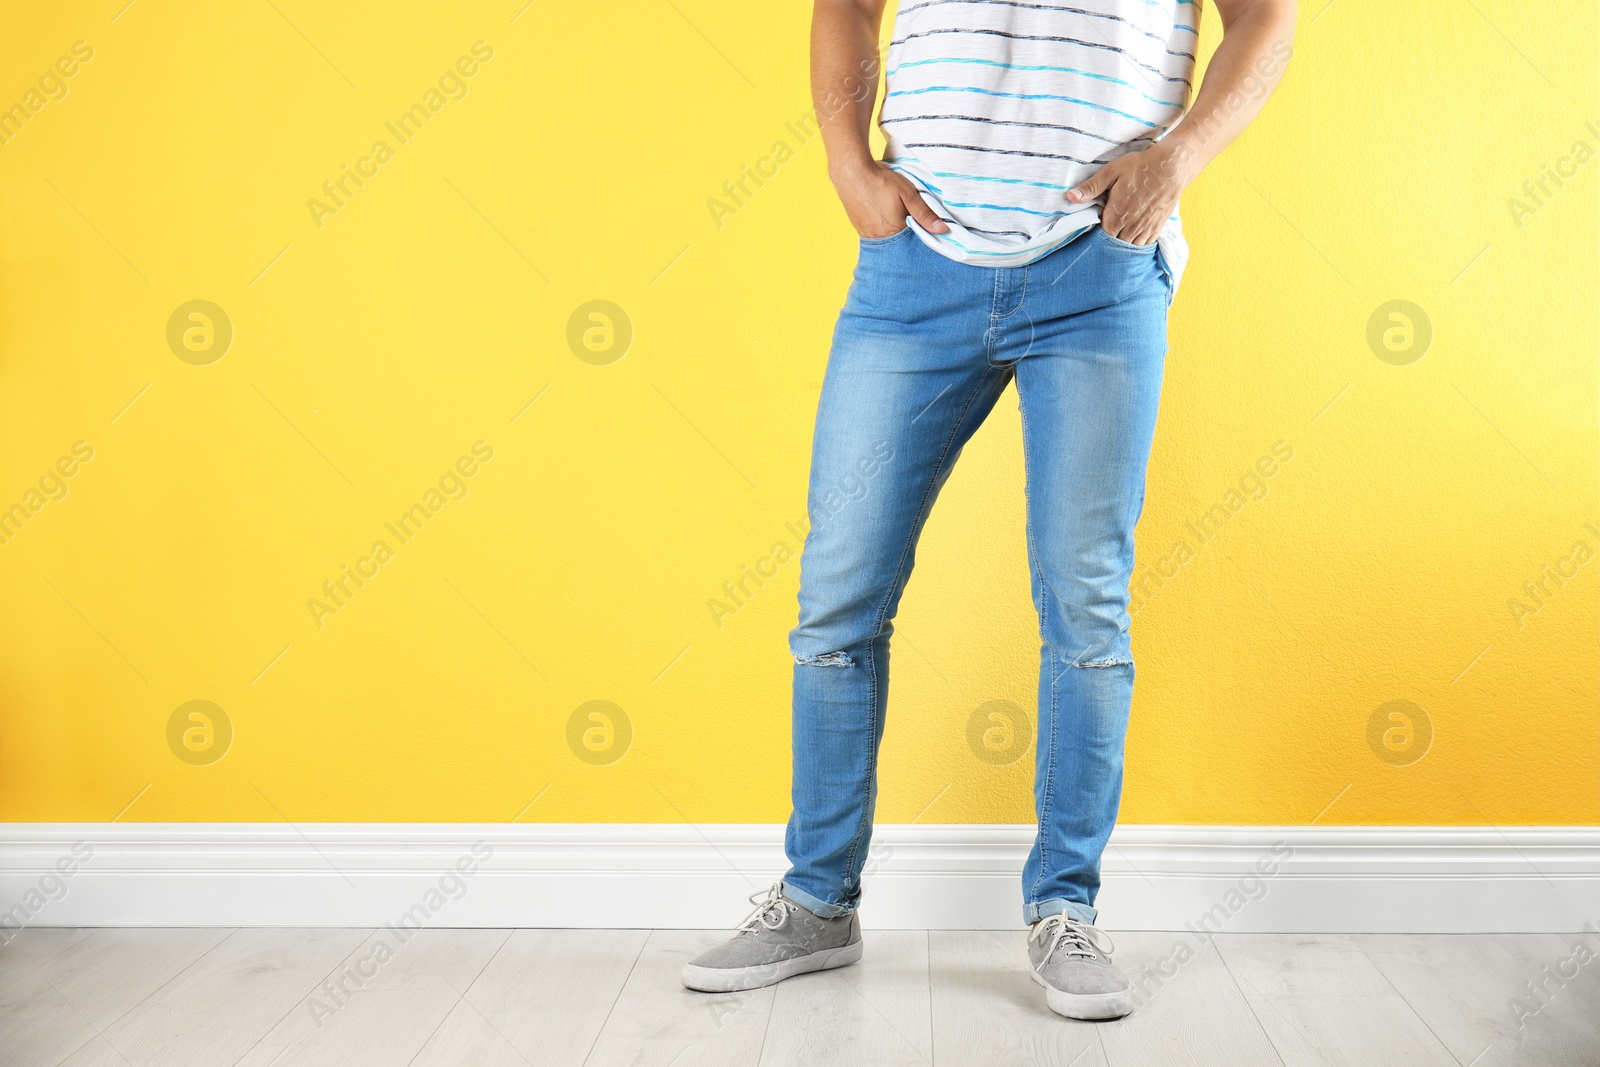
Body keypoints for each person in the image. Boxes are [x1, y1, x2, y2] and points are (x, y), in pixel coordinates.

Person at [682, 0, 1296, 1020]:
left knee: (1084, 608)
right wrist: (846, 161)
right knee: (836, 601)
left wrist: (1177, 158)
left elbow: (1267, 18)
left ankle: (1067, 908)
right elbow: (846, 6)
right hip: (913, 268)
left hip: (1098, 269)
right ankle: (816, 900)